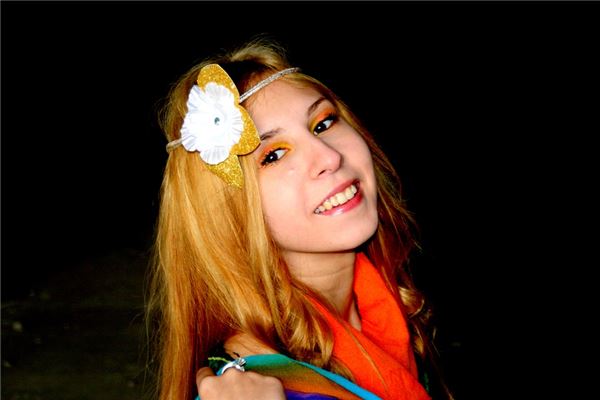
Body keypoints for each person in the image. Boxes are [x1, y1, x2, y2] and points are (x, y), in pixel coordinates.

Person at [147, 36, 453, 400]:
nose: (329, 157)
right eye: (274, 155)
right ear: (227, 214)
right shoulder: (262, 387)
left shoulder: (391, 304)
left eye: (323, 123)